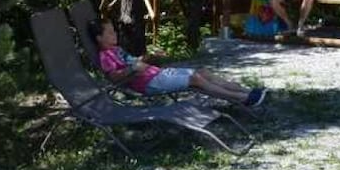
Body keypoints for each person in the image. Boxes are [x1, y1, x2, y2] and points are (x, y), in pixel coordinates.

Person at [91, 19, 266, 107]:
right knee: (196, 79)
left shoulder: (117, 50)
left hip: (156, 74)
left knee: (203, 72)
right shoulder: (105, 56)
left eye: (114, 31)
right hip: (148, 83)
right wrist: (133, 68)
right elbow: (114, 78)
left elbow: (135, 63)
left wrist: (148, 57)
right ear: (99, 38)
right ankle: (242, 98)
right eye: (110, 33)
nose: (115, 34)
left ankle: (246, 91)